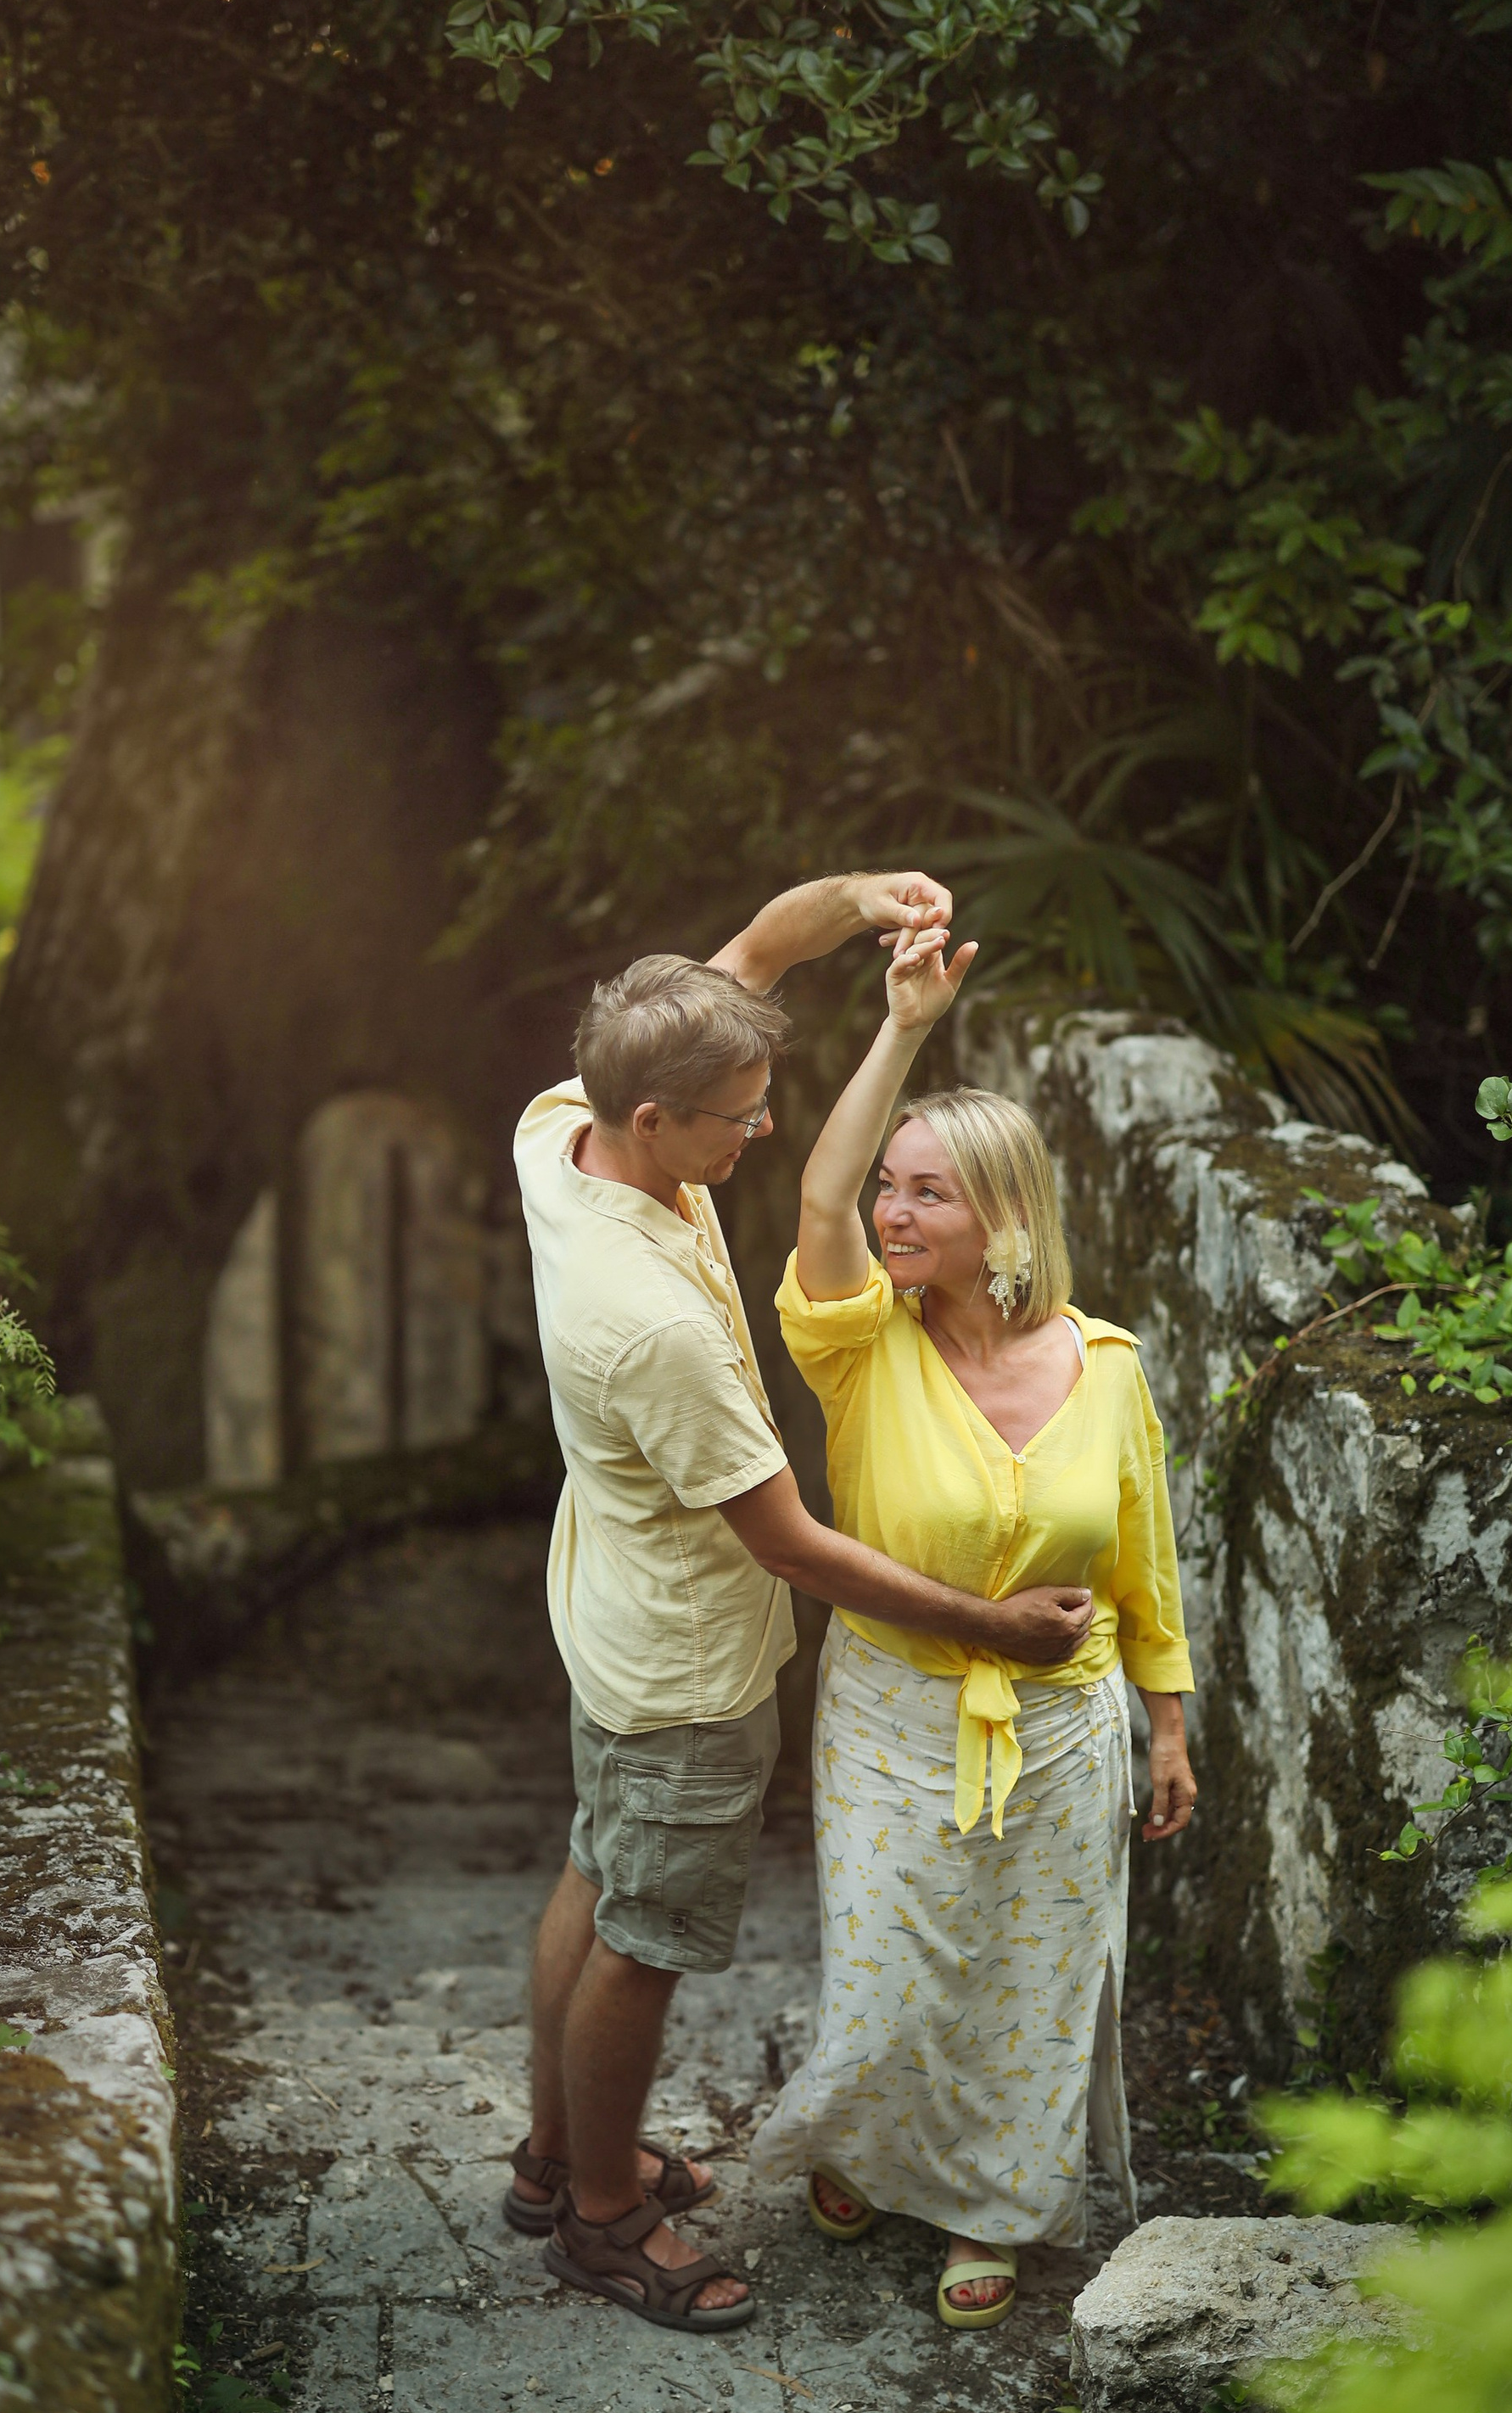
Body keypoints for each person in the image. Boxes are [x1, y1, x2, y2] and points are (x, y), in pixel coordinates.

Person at [509, 874, 1100, 2334]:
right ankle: (603, 2217)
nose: (760, 1134)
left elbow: (758, 952)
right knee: (643, 1938)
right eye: (737, 1119)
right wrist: (992, 1624)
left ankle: (555, 2153)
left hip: (606, 1610)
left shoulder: (562, 1124)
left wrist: (857, 899)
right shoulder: (650, 1323)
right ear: (655, 1120)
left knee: (596, 1865)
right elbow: (791, 1545)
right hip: (686, 1668)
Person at [749, 918, 1197, 2326]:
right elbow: (820, 1198)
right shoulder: (858, 1344)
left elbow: (1144, 1559)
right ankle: (871, 2144)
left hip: (1066, 1727)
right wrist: (903, 1028)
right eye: (891, 1189)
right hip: (891, 1705)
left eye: (927, 1195)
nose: (892, 1215)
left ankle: (988, 2210)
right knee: (890, 1977)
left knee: (1033, 1981)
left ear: (1002, 1216)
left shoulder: (1107, 1367)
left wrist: (1167, 1726)